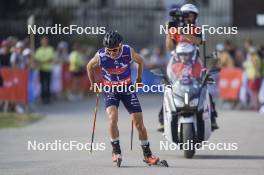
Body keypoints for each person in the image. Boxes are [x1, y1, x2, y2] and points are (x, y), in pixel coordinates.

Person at [87, 31, 163, 166]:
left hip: (127, 88)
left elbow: (140, 61)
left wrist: (139, 79)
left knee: (139, 123)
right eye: (109, 50)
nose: (112, 53)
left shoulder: (128, 51)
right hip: (110, 90)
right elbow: (89, 66)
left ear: (120, 46)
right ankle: (116, 151)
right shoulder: (101, 55)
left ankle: (148, 155)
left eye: (115, 50)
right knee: (112, 117)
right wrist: (93, 84)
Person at [163, 3, 219, 131]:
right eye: (185, 15)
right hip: (178, 64)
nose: (188, 18)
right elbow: (169, 47)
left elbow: (199, 41)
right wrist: (168, 32)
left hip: (194, 64)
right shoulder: (174, 29)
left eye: (191, 15)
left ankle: (213, 116)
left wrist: (183, 32)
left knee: (204, 89)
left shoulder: (197, 29)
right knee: (169, 90)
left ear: (195, 17)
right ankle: (163, 118)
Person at [34, 36, 54, 104]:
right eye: (43, 41)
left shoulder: (50, 49)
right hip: (41, 69)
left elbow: (51, 59)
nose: (44, 42)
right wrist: (43, 62)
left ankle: (48, 98)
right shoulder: (39, 50)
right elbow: (36, 60)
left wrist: (42, 62)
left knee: (48, 84)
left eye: (45, 41)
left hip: (48, 69)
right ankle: (43, 98)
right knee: (42, 84)